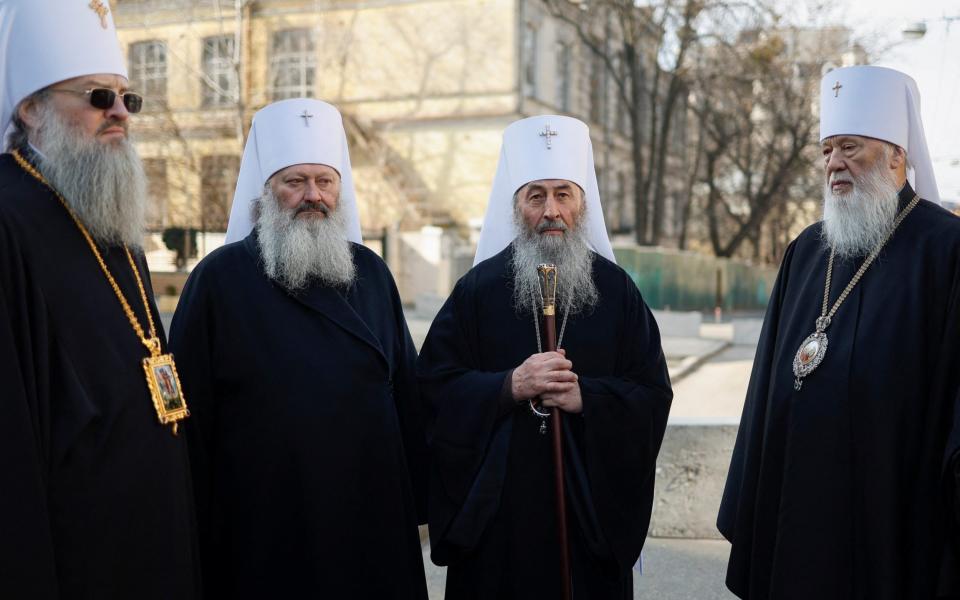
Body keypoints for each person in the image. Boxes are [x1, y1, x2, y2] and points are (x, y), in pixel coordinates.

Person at [169, 98, 429, 599]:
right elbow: (189, 419)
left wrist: (421, 499)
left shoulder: (371, 272)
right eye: (295, 182)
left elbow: (409, 397)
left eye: (325, 181)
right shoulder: (218, 280)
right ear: (266, 194)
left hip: (367, 515)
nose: (314, 195)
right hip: (263, 522)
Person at [719, 65, 960, 599]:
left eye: (850, 146)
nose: (833, 164)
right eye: (827, 150)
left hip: (891, 517)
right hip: (795, 511)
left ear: (898, 154)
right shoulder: (806, 250)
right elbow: (764, 390)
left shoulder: (946, 250)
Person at [417, 115, 672, 598]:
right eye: (536, 195)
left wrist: (587, 399)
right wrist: (508, 386)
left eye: (563, 194)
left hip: (587, 523)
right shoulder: (477, 291)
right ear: (516, 207)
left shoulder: (616, 292)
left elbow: (653, 395)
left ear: (582, 204)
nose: (550, 210)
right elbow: (432, 388)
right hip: (497, 526)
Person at [0, 1, 199, 597]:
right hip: (72, 552)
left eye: (126, 99)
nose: (119, 114)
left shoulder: (105, 211)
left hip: (148, 539)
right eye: (96, 98)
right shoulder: (7, 220)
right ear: (31, 110)